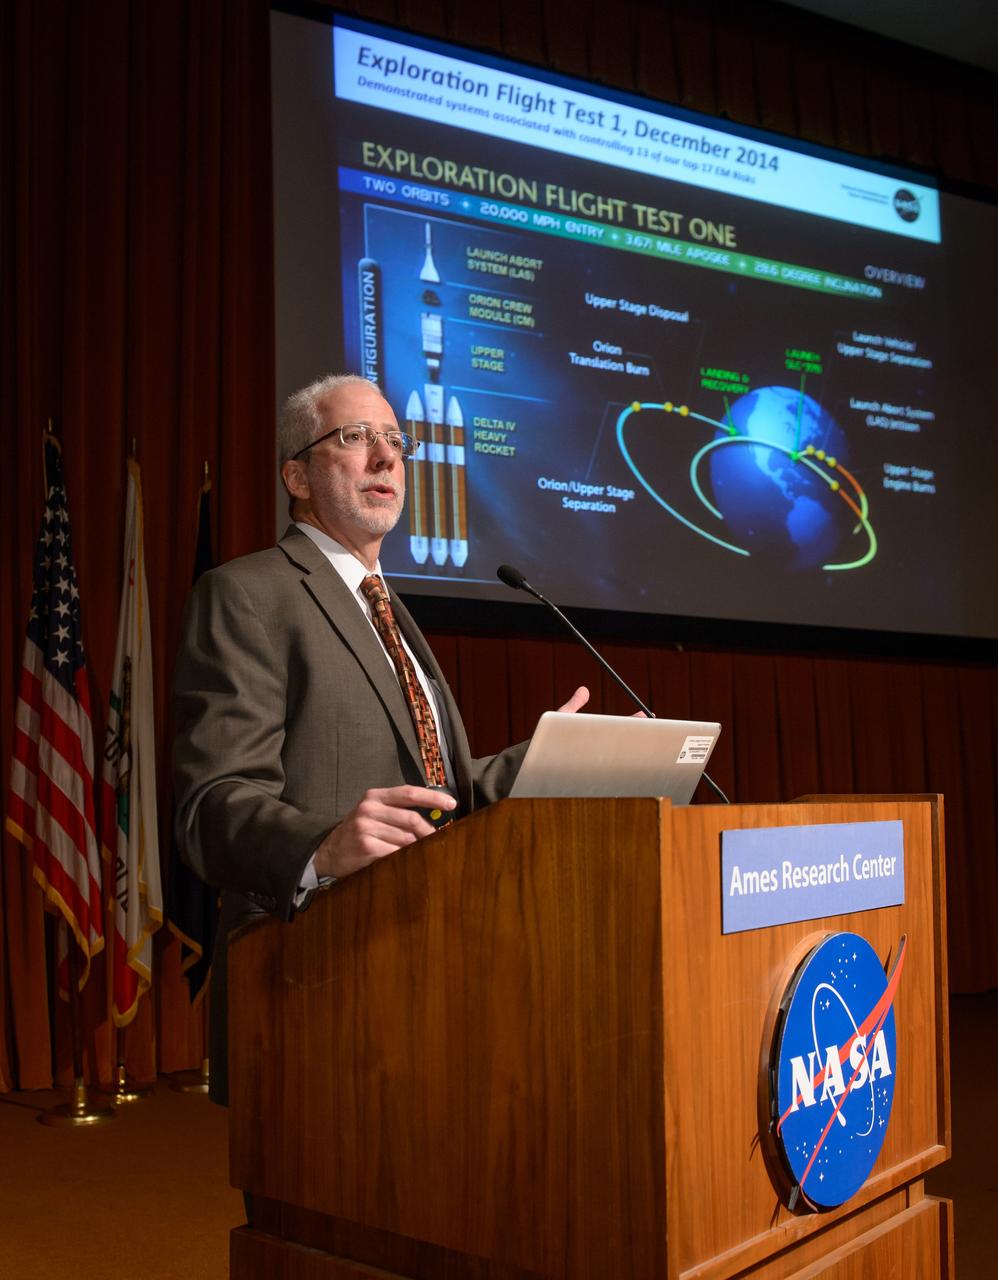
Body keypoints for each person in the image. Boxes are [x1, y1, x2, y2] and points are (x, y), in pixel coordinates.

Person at [172, 373, 589, 1103]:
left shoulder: (388, 608)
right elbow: (210, 804)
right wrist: (319, 846)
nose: (386, 457)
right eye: (354, 438)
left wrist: (559, 760)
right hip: (313, 975)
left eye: (395, 440)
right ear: (296, 475)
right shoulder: (248, 594)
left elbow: (438, 797)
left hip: (438, 972)